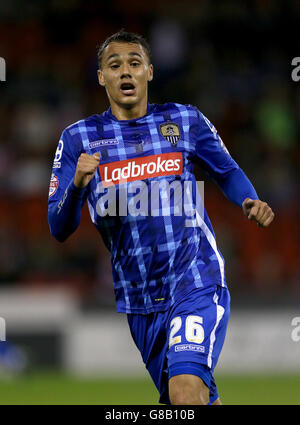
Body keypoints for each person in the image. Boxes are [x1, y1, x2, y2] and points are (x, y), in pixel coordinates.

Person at [48, 30, 274, 405]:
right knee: (189, 401)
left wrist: (249, 200)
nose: (126, 72)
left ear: (149, 72)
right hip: (139, 299)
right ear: (101, 76)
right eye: (114, 65)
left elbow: (227, 171)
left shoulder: (184, 121)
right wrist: (75, 186)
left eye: (134, 64)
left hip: (194, 277)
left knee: (184, 394)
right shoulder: (79, 139)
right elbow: (58, 228)